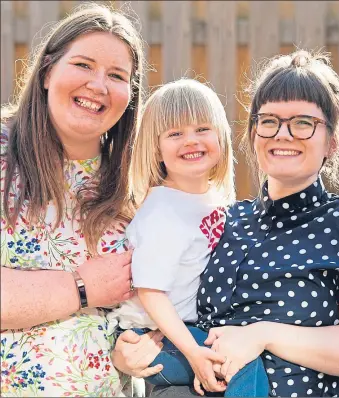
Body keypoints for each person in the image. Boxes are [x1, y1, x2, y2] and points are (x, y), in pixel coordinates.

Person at [111, 50, 339, 397]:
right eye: (269, 120)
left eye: (303, 122)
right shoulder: (225, 220)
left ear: (331, 141)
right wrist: (128, 355)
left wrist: (263, 334)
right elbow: (158, 296)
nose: (283, 134)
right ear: (253, 134)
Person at [0, 3, 158, 397]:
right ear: (48, 71)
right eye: (84, 65)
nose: (98, 85)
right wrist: (81, 287)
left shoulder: (140, 183)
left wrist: (135, 347)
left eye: (117, 76)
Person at [107, 78, 269, 397]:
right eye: (175, 133)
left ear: (220, 135)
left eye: (201, 129)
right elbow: (150, 291)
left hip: (188, 331)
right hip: (151, 338)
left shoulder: (215, 200)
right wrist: (194, 355)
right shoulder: (162, 211)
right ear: (156, 147)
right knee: (243, 362)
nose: (191, 141)